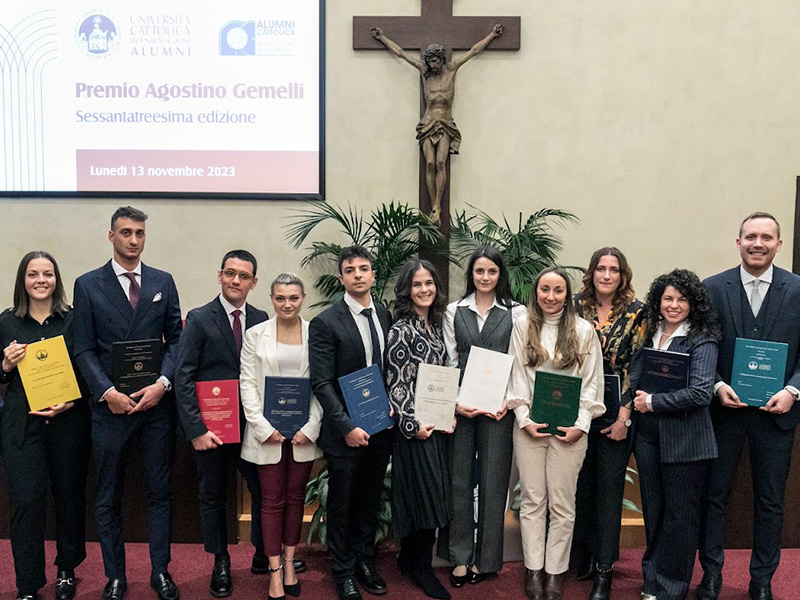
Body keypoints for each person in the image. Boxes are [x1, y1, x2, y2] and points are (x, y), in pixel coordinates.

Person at [72, 206, 183, 600]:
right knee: (108, 496)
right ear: (111, 236)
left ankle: (161, 571)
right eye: (125, 232)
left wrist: (163, 384)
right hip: (110, 408)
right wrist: (107, 392)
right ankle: (115, 576)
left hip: (155, 407)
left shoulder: (162, 281)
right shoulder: (87, 285)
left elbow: (177, 340)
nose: (133, 240)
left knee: (159, 491)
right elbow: (82, 349)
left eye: (139, 233)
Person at [697, 212, 800, 600]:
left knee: (770, 501)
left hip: (777, 417)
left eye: (767, 237)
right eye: (751, 236)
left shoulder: (798, 289)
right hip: (724, 412)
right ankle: (711, 574)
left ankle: (762, 580)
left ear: (779, 244)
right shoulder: (712, 288)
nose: (758, 243)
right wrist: (717, 385)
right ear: (738, 242)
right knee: (714, 495)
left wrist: (792, 390)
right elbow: (700, 347)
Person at [175, 250, 269, 598]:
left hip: (252, 428)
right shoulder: (199, 318)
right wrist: (196, 430)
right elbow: (183, 376)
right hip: (212, 432)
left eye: (243, 276)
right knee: (213, 497)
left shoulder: (261, 319)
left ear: (253, 282)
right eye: (230, 273)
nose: (235, 281)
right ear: (220, 275)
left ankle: (262, 553)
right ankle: (221, 562)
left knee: (262, 493)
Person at [506, 266, 604, 600]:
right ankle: (533, 570)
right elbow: (515, 375)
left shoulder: (583, 330)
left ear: (568, 294)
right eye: (544, 289)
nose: (550, 297)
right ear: (536, 292)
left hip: (569, 430)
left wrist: (580, 425)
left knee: (562, 505)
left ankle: (554, 572)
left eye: (558, 290)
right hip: (530, 428)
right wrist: (523, 417)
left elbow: (592, 382)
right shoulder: (522, 326)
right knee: (533, 501)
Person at [0, 251, 91, 600]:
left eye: (48, 274)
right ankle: (28, 583)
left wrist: (73, 399)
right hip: (23, 427)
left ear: (57, 279)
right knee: (26, 502)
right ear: (23, 280)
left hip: (69, 422)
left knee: (69, 497)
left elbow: (89, 367)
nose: (41, 280)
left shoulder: (74, 319)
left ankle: (67, 569)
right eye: (33, 274)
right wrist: (6, 366)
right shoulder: (7, 322)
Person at [437, 246, 525, 586]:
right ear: (471, 275)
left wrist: (509, 400)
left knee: (493, 482)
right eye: (479, 272)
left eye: (491, 272)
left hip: (498, 408)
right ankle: (459, 557)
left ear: (500, 275)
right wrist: (455, 402)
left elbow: (519, 362)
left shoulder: (516, 313)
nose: (485, 278)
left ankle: (486, 560)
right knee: (458, 480)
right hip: (461, 406)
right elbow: (449, 360)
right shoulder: (453, 310)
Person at [309, 246, 393, 600]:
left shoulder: (386, 316)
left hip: (380, 426)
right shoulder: (326, 321)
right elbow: (321, 383)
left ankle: (363, 559)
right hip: (346, 432)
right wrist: (346, 426)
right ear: (341, 278)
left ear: (373, 274)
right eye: (350, 270)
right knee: (341, 504)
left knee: (369, 500)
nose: (358, 274)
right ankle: (342, 571)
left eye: (364, 268)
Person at [630, 269, 720, 600]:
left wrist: (652, 402)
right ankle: (652, 580)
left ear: (693, 304)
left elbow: (700, 393)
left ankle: (670, 589)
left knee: (679, 518)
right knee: (654, 513)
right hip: (648, 438)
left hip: (686, 441)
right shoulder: (649, 332)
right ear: (658, 300)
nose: (674, 305)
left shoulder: (702, 338)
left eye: (682, 299)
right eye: (668, 298)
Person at [239, 273, 323, 600]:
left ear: (302, 298)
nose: (287, 304)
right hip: (267, 434)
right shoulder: (254, 335)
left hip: (303, 434)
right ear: (272, 299)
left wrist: (311, 426)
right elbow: (246, 384)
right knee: (272, 502)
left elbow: (321, 384)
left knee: (296, 499)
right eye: (280, 298)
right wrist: (262, 427)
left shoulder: (316, 333)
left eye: (294, 298)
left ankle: (290, 563)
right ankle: (274, 571)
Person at [570, 248, 646, 600]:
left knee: (609, 490)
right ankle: (582, 557)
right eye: (600, 268)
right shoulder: (574, 306)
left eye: (613, 270)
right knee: (581, 488)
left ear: (622, 275)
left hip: (616, 413)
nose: (606, 275)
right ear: (592, 272)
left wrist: (624, 418)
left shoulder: (637, 312)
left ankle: (604, 568)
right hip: (577, 411)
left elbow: (638, 366)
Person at [370, 24, 504, 224]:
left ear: (442, 59)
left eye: (435, 61)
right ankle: (434, 206)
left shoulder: (452, 69)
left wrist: (492, 35)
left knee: (441, 162)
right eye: (430, 61)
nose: (433, 65)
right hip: (427, 123)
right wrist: (382, 38)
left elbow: (474, 51)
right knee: (430, 163)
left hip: (445, 123)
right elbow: (401, 54)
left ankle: (436, 206)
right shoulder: (424, 72)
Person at [385, 260, 453, 600]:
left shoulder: (436, 326)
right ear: (406, 290)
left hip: (438, 427)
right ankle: (422, 568)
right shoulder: (401, 330)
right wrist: (414, 426)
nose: (424, 289)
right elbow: (395, 387)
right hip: (416, 430)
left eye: (429, 283)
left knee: (427, 495)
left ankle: (409, 559)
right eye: (417, 285)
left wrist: (449, 413)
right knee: (424, 499)